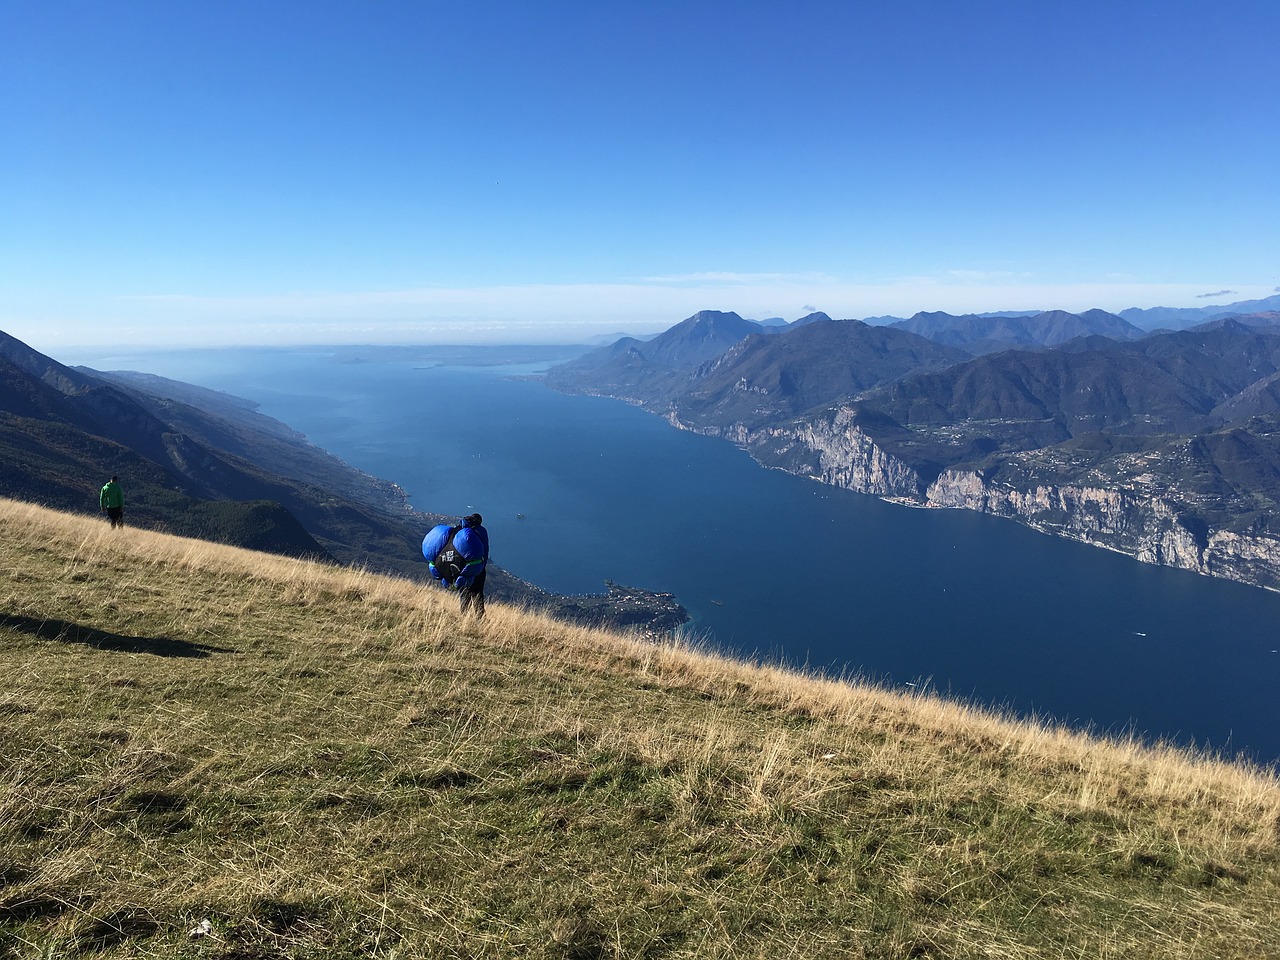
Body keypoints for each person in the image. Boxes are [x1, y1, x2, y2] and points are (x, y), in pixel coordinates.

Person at [421, 513, 489, 617]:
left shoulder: (459, 529)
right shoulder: (480, 530)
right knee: (477, 592)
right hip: (475, 567)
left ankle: (463, 615)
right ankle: (479, 617)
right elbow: (484, 550)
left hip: (458, 566)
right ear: (479, 522)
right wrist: (481, 566)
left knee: (464, 591)